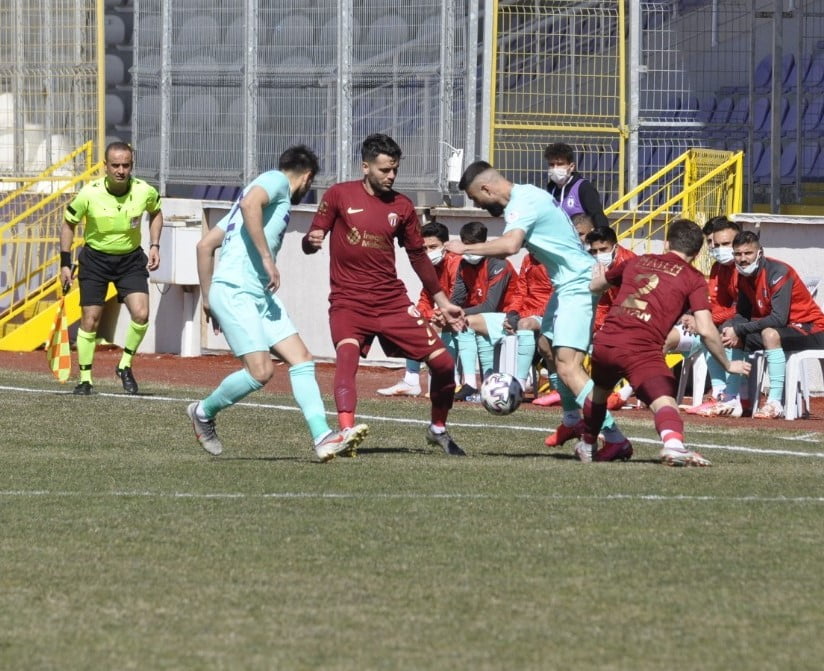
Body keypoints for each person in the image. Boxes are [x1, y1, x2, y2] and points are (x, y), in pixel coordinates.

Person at [186, 145, 367, 462]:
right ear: (307, 177)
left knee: (302, 359)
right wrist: (267, 260)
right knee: (260, 372)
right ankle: (202, 412)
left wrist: (208, 299)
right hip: (238, 290)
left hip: (257, 294)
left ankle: (323, 437)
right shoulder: (276, 181)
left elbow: (204, 246)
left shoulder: (249, 203)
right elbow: (250, 204)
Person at [449, 160, 631, 460]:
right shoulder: (528, 195)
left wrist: (465, 248)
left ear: (485, 188)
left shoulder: (522, 203)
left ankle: (614, 437)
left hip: (577, 285)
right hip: (565, 285)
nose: (477, 205)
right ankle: (572, 420)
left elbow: (511, 245)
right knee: (546, 346)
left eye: (475, 198)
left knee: (569, 367)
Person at [302, 133, 468, 456]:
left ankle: (437, 429)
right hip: (349, 301)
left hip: (391, 301)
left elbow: (418, 256)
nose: (391, 176)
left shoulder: (402, 206)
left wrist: (443, 301)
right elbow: (311, 237)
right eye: (384, 170)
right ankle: (346, 431)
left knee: (444, 363)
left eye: (395, 170)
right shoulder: (338, 195)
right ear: (365, 167)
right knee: (347, 357)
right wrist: (312, 240)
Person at [582, 219, 752, 466]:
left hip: (606, 341)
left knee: (598, 394)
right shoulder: (693, 278)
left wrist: (596, 279)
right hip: (640, 348)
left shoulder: (636, 261)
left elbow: (595, 285)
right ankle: (673, 446)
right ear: (697, 253)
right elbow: (706, 329)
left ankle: (587, 445)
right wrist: (727, 364)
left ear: (666, 244)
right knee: (665, 400)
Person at [60, 141, 163, 396]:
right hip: (95, 260)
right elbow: (69, 223)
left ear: (132, 165)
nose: (120, 170)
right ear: (105, 166)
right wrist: (65, 263)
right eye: (115, 165)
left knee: (141, 314)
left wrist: (155, 245)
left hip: (130, 260)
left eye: (125, 165)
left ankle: (124, 365)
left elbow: (156, 212)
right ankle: (85, 379)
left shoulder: (144, 191)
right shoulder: (89, 193)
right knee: (90, 319)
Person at [720, 230, 824, 419]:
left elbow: (778, 319)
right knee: (733, 337)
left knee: (769, 333)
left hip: (812, 327)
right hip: (783, 329)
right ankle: (732, 399)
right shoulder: (741, 275)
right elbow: (743, 314)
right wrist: (729, 328)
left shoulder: (778, 272)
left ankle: (774, 403)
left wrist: (738, 328)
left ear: (759, 253)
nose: (743, 259)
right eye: (738, 254)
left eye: (748, 253)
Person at [377, 221, 461, 397]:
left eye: (433, 247)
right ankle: (411, 380)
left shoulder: (456, 263)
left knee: (434, 324)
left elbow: (458, 298)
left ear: (445, 245)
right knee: (414, 322)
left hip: (468, 312)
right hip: (449, 313)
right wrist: (418, 314)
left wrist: (436, 314)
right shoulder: (431, 267)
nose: (428, 252)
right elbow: (426, 297)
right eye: (424, 248)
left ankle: (453, 382)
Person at [450, 221, 521, 400]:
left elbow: (491, 306)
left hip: (510, 316)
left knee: (466, 322)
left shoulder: (498, 263)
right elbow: (456, 299)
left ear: (483, 244)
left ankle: (471, 383)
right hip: (484, 318)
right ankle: (451, 382)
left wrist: (460, 313)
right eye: (465, 244)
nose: (468, 249)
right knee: (442, 322)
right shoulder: (464, 265)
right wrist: (446, 312)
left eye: (473, 244)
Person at [683, 216, 744, 417]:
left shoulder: (744, 267)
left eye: (724, 244)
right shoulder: (719, 266)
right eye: (713, 243)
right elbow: (717, 302)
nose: (716, 248)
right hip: (730, 320)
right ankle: (719, 393)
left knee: (723, 330)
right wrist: (694, 316)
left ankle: (732, 397)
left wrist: (705, 320)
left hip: (763, 322)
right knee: (705, 330)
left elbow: (741, 309)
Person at [544, 142, 609, 229]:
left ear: (571, 167)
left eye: (560, 164)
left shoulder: (583, 187)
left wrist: (603, 235)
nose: (555, 168)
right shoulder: (550, 189)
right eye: (551, 165)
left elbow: (598, 217)